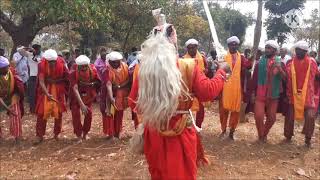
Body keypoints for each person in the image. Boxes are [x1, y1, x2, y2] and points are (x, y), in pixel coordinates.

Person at [128, 35, 229, 179]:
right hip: (180, 131)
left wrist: (157, 105)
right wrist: (222, 72)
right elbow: (208, 92)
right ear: (172, 49)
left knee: (159, 173)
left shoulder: (144, 71)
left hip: (154, 131)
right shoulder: (187, 66)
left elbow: (133, 103)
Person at [284, 41, 319, 147]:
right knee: (290, 116)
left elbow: (317, 76)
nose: (299, 52)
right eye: (298, 50)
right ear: (295, 50)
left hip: (308, 95)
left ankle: (308, 139)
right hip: (293, 94)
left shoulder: (312, 62)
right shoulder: (290, 62)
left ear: (306, 52)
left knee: (310, 116)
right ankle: (288, 136)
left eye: (302, 51)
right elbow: (286, 78)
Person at [251, 40, 286, 142]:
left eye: (269, 48)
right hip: (260, 93)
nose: (266, 50)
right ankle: (261, 135)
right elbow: (254, 79)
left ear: (275, 50)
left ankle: (264, 133)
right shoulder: (259, 63)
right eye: (266, 47)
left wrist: (280, 69)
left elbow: (285, 78)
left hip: (274, 94)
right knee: (258, 116)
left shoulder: (280, 62)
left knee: (272, 118)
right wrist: (253, 93)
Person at [219, 36, 252, 140]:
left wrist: (251, 59)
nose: (233, 46)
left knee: (236, 111)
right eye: (231, 44)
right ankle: (223, 130)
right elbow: (219, 70)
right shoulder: (223, 56)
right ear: (228, 45)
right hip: (224, 87)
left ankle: (232, 132)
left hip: (237, 88)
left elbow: (248, 65)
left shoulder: (241, 57)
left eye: (235, 44)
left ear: (238, 45)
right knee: (223, 110)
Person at [34, 49, 69, 144]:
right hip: (45, 90)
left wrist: (57, 81)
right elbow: (41, 81)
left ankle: (56, 134)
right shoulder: (41, 64)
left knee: (59, 113)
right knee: (41, 113)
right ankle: (39, 135)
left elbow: (67, 76)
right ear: (46, 60)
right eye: (50, 62)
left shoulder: (62, 62)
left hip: (59, 90)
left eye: (54, 61)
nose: (52, 63)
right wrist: (47, 93)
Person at [69, 55, 100, 140]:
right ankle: (78, 134)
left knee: (89, 114)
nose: (83, 68)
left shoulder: (93, 69)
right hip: (76, 96)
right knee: (75, 115)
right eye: (81, 66)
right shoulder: (73, 72)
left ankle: (85, 133)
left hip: (88, 94)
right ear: (78, 66)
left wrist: (92, 85)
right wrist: (82, 105)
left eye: (85, 66)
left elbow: (97, 81)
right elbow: (75, 88)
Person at [104, 51, 130, 139]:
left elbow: (128, 80)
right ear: (110, 62)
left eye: (117, 61)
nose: (115, 64)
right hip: (110, 94)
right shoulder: (107, 69)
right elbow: (108, 84)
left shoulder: (125, 67)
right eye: (113, 62)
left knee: (119, 114)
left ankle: (117, 133)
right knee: (110, 113)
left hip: (122, 94)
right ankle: (111, 134)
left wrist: (119, 86)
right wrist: (111, 98)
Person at [184, 38, 208, 128]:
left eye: (193, 48)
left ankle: (198, 127)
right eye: (189, 48)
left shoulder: (202, 58)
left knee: (200, 110)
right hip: (189, 89)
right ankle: (189, 127)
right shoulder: (183, 60)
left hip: (200, 87)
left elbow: (206, 69)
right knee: (188, 109)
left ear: (196, 47)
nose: (191, 50)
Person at [0, 56, 25, 143]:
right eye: (3, 69)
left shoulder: (13, 73)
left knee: (15, 113)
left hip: (13, 96)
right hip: (1, 98)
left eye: (7, 67)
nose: (6, 69)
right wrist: (7, 108)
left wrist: (13, 104)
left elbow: (18, 90)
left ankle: (17, 136)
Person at [27, 44, 42, 113]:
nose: (40, 51)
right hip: (32, 77)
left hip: (40, 77)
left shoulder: (41, 56)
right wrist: (30, 49)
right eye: (38, 49)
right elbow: (19, 50)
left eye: (40, 49)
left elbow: (36, 60)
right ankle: (32, 109)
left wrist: (34, 54)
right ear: (35, 50)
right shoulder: (29, 55)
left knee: (39, 93)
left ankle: (39, 108)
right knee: (32, 94)